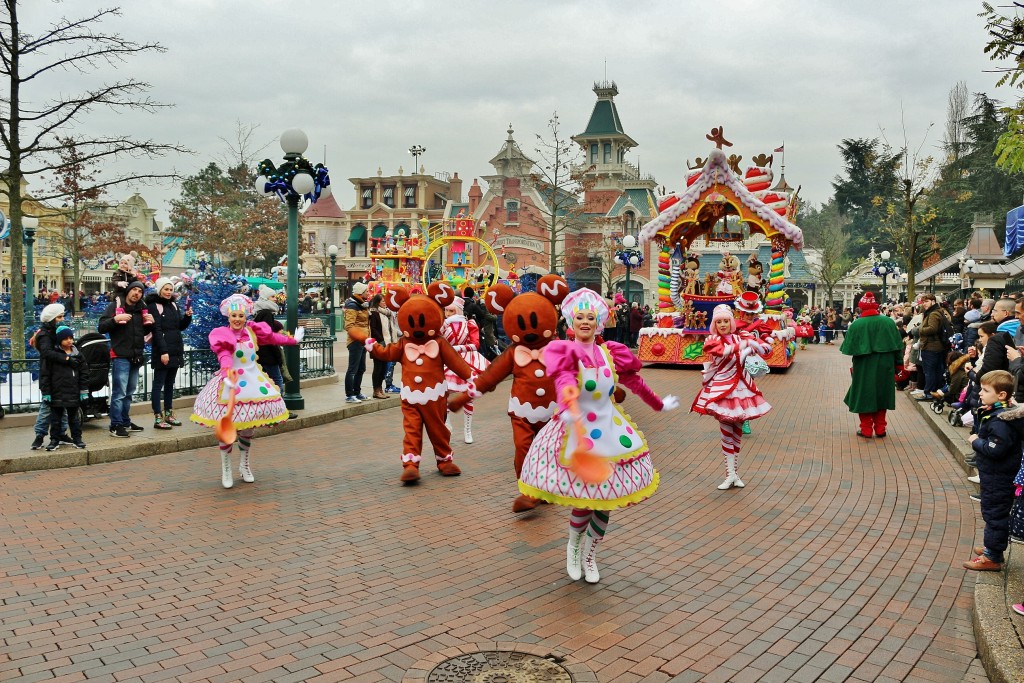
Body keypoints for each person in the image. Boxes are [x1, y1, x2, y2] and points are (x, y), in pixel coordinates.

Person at [515, 288, 678, 583]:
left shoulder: (611, 351)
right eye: (580, 317)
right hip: (577, 429)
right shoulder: (565, 352)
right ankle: (574, 546)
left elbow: (634, 382)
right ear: (571, 322)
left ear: (599, 322)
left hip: (611, 429)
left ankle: (590, 555)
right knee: (586, 497)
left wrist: (658, 404)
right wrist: (566, 407)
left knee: (607, 498)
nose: (586, 322)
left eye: (591, 317)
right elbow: (564, 380)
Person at [190, 294, 303, 489]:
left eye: (241, 316)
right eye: (234, 315)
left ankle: (244, 465)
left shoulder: (252, 330)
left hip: (252, 382)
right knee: (228, 428)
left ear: (246, 317)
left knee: (248, 426)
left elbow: (272, 338)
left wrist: (292, 341)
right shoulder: (222, 334)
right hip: (231, 383)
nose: (237, 319)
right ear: (228, 316)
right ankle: (226, 468)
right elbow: (224, 354)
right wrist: (226, 373)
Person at [691, 304, 773, 489]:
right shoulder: (712, 339)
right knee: (726, 433)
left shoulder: (740, 336)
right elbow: (721, 353)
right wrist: (745, 346)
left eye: (725, 321)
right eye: (718, 321)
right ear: (714, 324)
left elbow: (768, 350)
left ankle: (734, 474)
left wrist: (760, 344)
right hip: (723, 389)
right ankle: (729, 475)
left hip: (742, 388)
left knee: (737, 432)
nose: (722, 324)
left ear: (731, 321)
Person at [962, 370, 1021, 571]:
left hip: (998, 476)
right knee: (994, 513)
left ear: (1002, 395)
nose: (979, 393)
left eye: (986, 390)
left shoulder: (1001, 421)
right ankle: (992, 546)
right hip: (995, 474)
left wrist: (976, 441)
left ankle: (993, 556)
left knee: (994, 514)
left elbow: (995, 449)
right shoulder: (998, 413)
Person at [840, 292, 904, 438]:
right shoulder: (888, 322)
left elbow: (849, 349)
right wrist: (899, 365)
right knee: (882, 394)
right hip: (885, 365)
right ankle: (881, 428)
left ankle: (866, 429)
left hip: (864, 365)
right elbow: (897, 347)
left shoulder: (857, 324)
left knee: (864, 394)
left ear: (861, 307)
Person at [98, 281, 153, 438]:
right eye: (134, 290)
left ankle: (125, 420)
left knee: (129, 392)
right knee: (119, 392)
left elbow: (142, 332)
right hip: (121, 356)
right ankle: (115, 425)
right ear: (128, 291)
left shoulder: (141, 309)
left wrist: (149, 323)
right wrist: (115, 319)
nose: (137, 293)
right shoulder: (115, 306)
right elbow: (101, 327)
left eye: (140, 291)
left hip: (136, 355)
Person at [441, 296, 490, 442]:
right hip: (447, 362)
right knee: (443, 393)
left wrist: (455, 348)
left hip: (465, 362)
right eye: (446, 310)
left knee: (468, 395)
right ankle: (447, 423)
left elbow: (475, 345)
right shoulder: (443, 324)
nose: (448, 313)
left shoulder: (470, 324)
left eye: (451, 310)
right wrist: (445, 324)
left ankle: (467, 430)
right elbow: (436, 338)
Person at [147, 277, 193, 430]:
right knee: (158, 383)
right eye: (165, 289)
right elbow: (157, 330)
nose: (168, 292)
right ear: (159, 290)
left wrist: (187, 317)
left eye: (170, 289)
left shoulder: (173, 304)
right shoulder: (154, 305)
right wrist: (163, 351)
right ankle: (157, 416)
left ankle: (168, 413)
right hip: (163, 350)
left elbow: (179, 326)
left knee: (169, 384)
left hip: (175, 349)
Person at [39, 325, 88, 451]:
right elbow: (46, 375)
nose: (69, 341)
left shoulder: (78, 355)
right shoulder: (54, 356)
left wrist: (83, 390)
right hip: (57, 392)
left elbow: (84, 374)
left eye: (71, 338)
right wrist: (46, 392)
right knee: (55, 420)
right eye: (65, 338)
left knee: (74, 419)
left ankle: (77, 439)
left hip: (73, 392)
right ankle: (54, 440)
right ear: (59, 340)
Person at [29, 303, 70, 450]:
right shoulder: (45, 335)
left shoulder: (58, 332)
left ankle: (62, 433)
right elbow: (47, 353)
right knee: (46, 408)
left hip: (61, 375)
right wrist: (65, 358)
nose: (62, 319)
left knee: (63, 406)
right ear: (52, 319)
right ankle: (39, 436)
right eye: (59, 316)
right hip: (50, 376)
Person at [343, 282, 371, 403]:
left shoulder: (362, 304)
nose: (368, 293)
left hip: (363, 340)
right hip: (355, 341)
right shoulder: (352, 305)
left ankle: (357, 392)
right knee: (353, 369)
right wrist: (360, 337)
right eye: (366, 292)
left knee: (361, 368)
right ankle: (350, 394)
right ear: (360, 293)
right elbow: (349, 325)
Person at [368, 293, 399, 399]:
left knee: (384, 368)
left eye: (385, 301)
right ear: (377, 302)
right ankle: (376, 390)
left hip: (388, 343)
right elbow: (373, 329)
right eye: (383, 301)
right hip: (379, 344)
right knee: (378, 367)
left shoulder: (387, 313)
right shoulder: (374, 313)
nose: (385, 303)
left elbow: (392, 328)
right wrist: (381, 340)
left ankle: (380, 389)